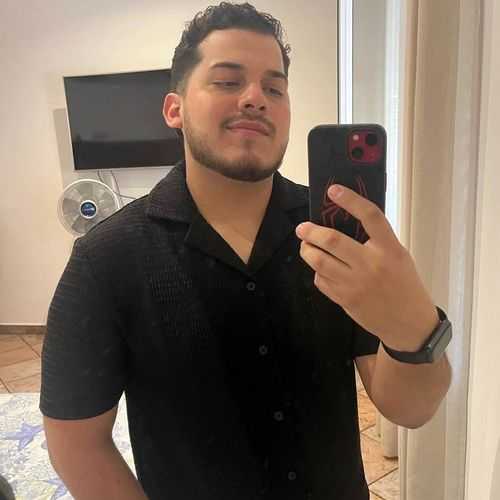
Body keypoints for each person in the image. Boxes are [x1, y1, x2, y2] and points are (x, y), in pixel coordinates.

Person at [39, 2, 452, 499]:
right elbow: (76, 443)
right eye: (227, 81)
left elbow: (411, 410)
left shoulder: (335, 238)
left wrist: (413, 325)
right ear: (174, 109)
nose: (256, 98)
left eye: (274, 88)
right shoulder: (104, 261)